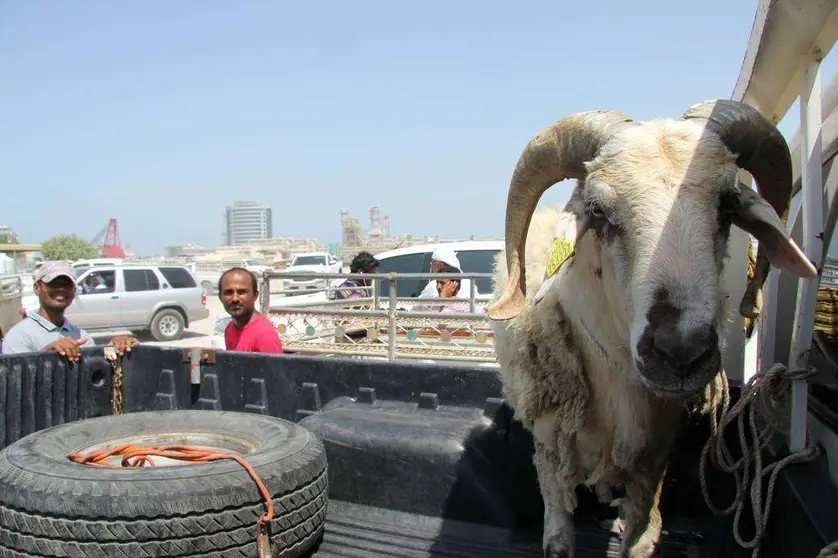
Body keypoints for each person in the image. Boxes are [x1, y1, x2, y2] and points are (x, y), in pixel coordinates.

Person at [1, 261, 138, 360]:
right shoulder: (19, 336)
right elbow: (16, 385)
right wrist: (48, 356)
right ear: (37, 288)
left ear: (74, 291)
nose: (61, 289)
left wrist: (115, 349)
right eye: (53, 283)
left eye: (67, 284)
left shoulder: (81, 336)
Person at [219, 267, 284, 354]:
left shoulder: (264, 334)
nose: (235, 299)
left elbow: (277, 367)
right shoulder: (230, 328)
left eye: (242, 292)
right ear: (220, 297)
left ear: (255, 295)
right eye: (228, 293)